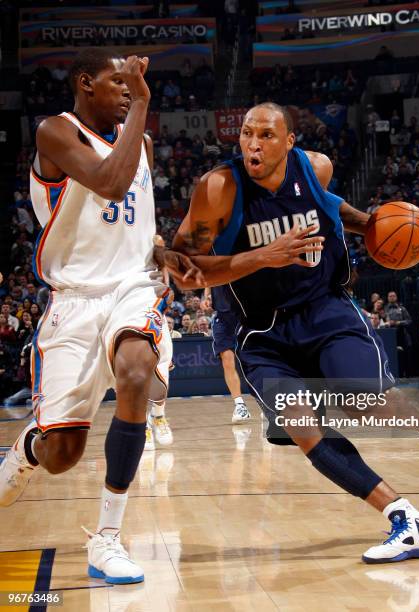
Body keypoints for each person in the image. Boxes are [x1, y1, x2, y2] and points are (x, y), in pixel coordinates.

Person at [165, 102, 419, 564]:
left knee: (364, 401)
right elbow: (184, 271)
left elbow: (330, 206)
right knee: (303, 428)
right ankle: (407, 519)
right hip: (260, 333)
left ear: (289, 142)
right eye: (246, 134)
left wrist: (374, 227)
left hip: (325, 311)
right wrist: (264, 257)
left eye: (266, 135)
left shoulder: (314, 168)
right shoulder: (218, 188)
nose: (253, 144)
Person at [0, 49, 201, 584]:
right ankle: (27, 448)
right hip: (74, 300)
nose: (129, 90)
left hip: (133, 288)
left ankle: (107, 538)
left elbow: (137, 222)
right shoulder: (55, 133)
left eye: (132, 84)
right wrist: (143, 104)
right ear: (85, 84)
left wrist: (161, 252)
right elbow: (110, 183)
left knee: (136, 372)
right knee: (63, 452)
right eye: (119, 82)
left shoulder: (145, 145)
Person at [209, 286, 251, 424]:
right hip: (222, 317)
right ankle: (240, 405)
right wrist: (207, 294)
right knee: (227, 359)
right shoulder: (212, 264)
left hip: (245, 315)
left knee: (254, 360)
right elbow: (208, 274)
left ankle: (270, 404)